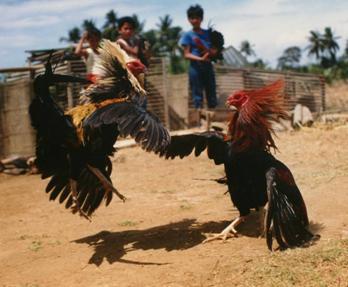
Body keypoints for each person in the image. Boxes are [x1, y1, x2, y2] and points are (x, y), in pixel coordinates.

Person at [179, 5, 218, 109]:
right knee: (197, 95)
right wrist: (201, 59)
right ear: (188, 19)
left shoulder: (209, 34)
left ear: (202, 18)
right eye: (192, 18)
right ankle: (200, 121)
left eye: (197, 18)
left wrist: (214, 52)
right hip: (195, 68)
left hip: (208, 66)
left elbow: (215, 49)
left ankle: (213, 119)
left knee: (211, 92)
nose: (195, 20)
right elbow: (186, 54)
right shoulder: (187, 35)